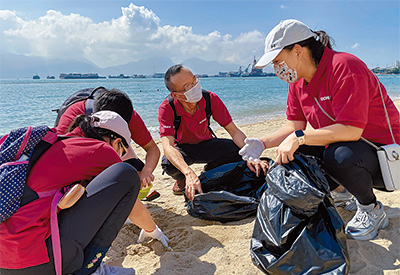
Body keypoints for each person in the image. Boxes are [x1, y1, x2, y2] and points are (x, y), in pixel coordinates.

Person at [240, 19, 400, 241]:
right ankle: (343, 193)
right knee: (297, 156)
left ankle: (371, 210)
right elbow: (294, 126)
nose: (276, 68)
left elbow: (351, 130)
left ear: (297, 51)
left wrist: (299, 138)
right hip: (355, 151)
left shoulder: (345, 66)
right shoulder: (297, 82)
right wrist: (262, 143)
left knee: (338, 155)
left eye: (278, 61)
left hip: (387, 158)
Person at [0, 111, 169, 275]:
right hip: (37, 264)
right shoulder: (99, 150)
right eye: (122, 149)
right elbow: (132, 204)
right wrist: (153, 231)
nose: (121, 154)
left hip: (7, 269)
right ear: (115, 141)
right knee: (126, 175)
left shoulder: (53, 142)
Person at [159, 65, 247, 200]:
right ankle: (181, 180)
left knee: (239, 151)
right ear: (176, 95)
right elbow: (168, 146)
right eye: (187, 86)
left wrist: (251, 154)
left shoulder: (210, 99)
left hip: (207, 143)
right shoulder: (167, 108)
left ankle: (209, 171)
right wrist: (188, 173)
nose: (194, 86)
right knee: (168, 163)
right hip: (184, 148)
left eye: (194, 80)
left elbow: (234, 131)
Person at [57, 88, 160, 189]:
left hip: (110, 150)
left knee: (135, 174)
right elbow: (58, 157)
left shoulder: (129, 115)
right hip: (77, 160)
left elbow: (152, 148)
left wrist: (147, 172)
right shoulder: (73, 116)